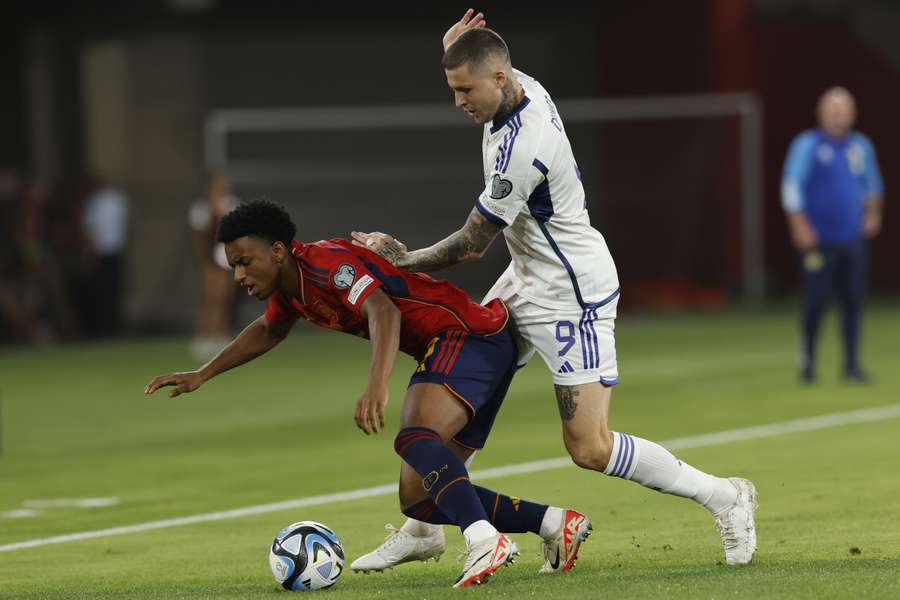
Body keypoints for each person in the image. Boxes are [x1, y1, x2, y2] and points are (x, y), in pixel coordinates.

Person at [350, 9, 758, 570]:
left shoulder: (526, 144)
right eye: (452, 88)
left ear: (497, 79)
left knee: (588, 447)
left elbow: (471, 245)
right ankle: (424, 526)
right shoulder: (516, 83)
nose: (458, 102)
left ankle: (727, 496)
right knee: (466, 391)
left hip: (572, 296)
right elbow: (487, 56)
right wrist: (458, 46)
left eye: (464, 89)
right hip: (524, 280)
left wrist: (402, 261)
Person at [143, 200, 592, 588]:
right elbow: (268, 330)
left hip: (464, 335)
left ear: (277, 251)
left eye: (244, 261)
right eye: (233, 265)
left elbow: (383, 311)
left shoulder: (326, 266)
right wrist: (203, 373)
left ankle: (483, 540)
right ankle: (555, 523)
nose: (238, 273)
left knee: (415, 437)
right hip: (468, 346)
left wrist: (377, 383)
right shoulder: (291, 288)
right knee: (420, 496)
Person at [781, 87, 884, 384]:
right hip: (818, 239)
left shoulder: (860, 146)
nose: (838, 112)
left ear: (853, 113)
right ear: (820, 111)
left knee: (853, 301)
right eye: (832, 106)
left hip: (851, 238)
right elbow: (791, 186)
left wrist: (873, 214)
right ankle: (808, 364)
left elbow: (873, 185)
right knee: (816, 301)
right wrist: (799, 226)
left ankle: (851, 365)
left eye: (844, 107)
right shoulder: (808, 145)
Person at [188, 173, 239, 360]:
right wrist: (205, 259)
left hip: (226, 257)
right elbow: (198, 236)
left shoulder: (231, 203)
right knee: (210, 298)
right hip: (210, 257)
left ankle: (221, 335)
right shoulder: (201, 207)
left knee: (225, 297)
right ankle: (203, 337)